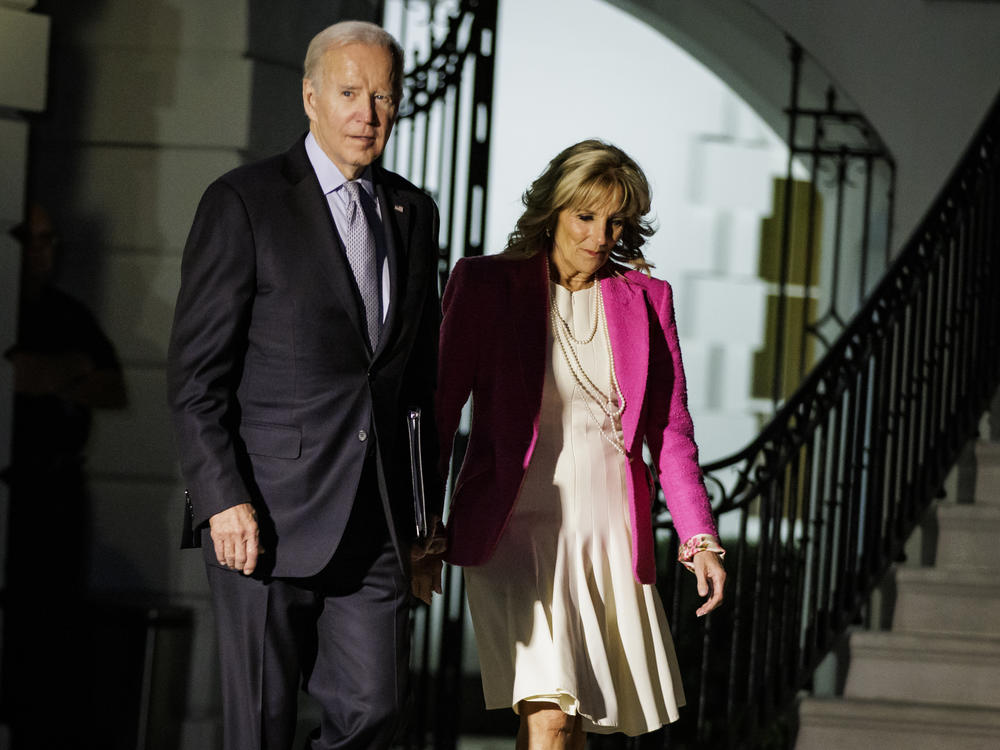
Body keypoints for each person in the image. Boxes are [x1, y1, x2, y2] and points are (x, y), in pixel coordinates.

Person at [166, 20, 443, 750]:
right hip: (263, 516)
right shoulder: (244, 201)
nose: (368, 113)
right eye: (350, 92)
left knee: (377, 710)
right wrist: (222, 498)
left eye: (384, 96)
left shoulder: (415, 213)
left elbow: (418, 384)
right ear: (310, 96)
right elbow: (197, 377)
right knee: (259, 725)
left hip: (375, 520)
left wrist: (421, 521)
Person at [436, 140, 727, 748]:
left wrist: (700, 537)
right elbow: (440, 411)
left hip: (607, 532)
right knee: (550, 711)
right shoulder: (486, 284)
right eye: (585, 216)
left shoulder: (648, 299)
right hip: (513, 528)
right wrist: (420, 528)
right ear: (554, 210)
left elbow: (670, 432)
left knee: (577, 718)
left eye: (615, 220)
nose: (600, 236)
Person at [2, 202, 127, 747]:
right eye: (33, 240)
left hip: (58, 490)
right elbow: (19, 378)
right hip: (16, 488)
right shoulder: (14, 312)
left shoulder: (66, 313)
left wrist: (50, 375)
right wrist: (68, 370)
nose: (43, 253)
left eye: (50, 241)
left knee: (54, 625)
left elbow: (110, 385)